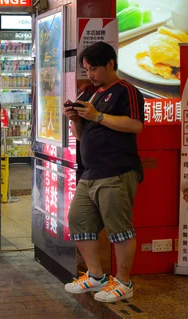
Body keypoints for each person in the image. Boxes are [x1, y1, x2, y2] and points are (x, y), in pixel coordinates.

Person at [62, 42, 144, 303]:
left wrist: (97, 116)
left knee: (118, 228)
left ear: (110, 63)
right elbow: (80, 135)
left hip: (117, 170)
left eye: (94, 68)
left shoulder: (126, 91)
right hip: (89, 171)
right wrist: (75, 118)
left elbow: (135, 126)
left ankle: (123, 282)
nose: (91, 75)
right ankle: (95, 276)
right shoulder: (89, 93)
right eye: (87, 69)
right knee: (78, 219)